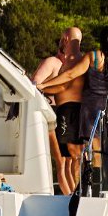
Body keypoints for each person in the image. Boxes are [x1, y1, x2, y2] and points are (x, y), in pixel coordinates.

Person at [32, 27, 88, 194]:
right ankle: (70, 197)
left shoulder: (75, 64)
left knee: (72, 161)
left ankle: (75, 194)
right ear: (64, 41)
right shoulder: (52, 62)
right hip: (55, 114)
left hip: (70, 115)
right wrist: (49, 93)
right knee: (62, 161)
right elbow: (35, 83)